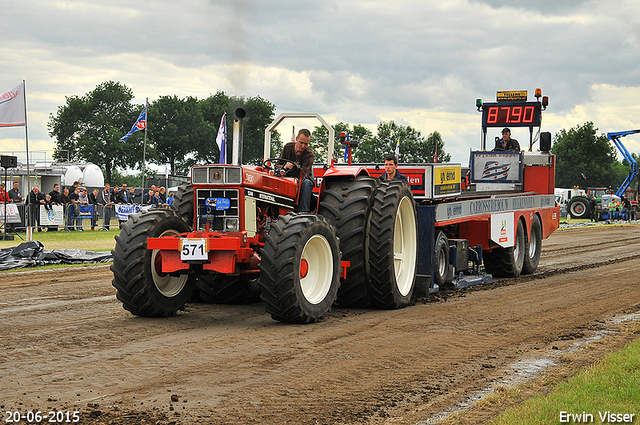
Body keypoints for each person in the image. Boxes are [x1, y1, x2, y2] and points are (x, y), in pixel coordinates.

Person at [278, 128, 315, 212]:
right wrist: (284, 166)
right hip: (287, 175)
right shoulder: (288, 147)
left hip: (302, 179)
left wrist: (295, 182)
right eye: (301, 143)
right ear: (296, 139)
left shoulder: (309, 154)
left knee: (306, 183)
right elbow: (277, 165)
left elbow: (305, 173)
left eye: (306, 144)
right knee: (279, 178)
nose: (303, 146)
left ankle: (303, 211)